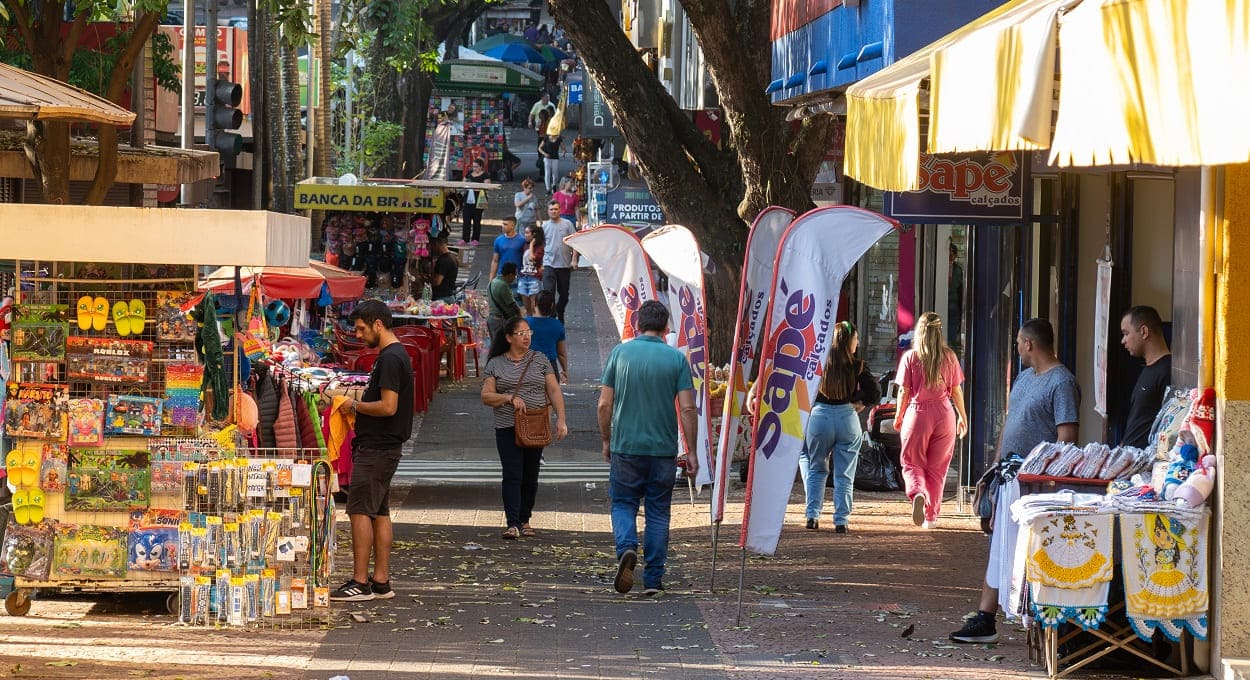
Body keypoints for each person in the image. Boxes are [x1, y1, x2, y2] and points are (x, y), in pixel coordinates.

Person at [949, 318, 1079, 643]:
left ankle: (1035, 620)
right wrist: (994, 467)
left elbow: (1067, 437)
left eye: (1019, 342)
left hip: (1035, 483)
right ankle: (985, 617)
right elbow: (1010, 423)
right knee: (999, 545)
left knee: (1028, 552)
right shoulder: (1023, 378)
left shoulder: (1061, 382)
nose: (1017, 347)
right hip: (1008, 476)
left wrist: (1048, 478)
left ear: (1029, 344)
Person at [598, 300, 697, 596]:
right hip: (663, 449)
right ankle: (653, 579)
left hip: (626, 446)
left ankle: (627, 548)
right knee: (657, 512)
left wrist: (606, 440)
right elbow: (688, 409)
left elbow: (604, 404)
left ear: (637, 324)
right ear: (666, 328)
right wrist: (691, 451)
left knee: (623, 503)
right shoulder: (676, 360)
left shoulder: (620, 353)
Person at [330, 300, 415, 602]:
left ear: (378, 324)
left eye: (363, 328)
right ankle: (381, 580)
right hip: (383, 446)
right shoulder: (391, 356)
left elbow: (388, 406)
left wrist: (352, 405)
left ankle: (360, 581)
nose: (359, 335)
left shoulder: (391, 358)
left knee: (359, 510)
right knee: (379, 511)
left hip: (378, 447)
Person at [480, 317, 569, 539]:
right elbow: (486, 395)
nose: (527, 336)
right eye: (521, 333)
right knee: (512, 473)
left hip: (536, 423)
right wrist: (508, 398)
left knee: (530, 474)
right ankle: (512, 523)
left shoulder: (540, 360)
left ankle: (525, 519)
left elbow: (554, 390)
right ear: (509, 338)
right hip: (507, 425)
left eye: (529, 332)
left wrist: (561, 419)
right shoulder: (495, 364)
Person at [800, 321, 880, 533]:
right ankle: (841, 520)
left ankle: (812, 516)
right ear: (848, 341)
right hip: (847, 417)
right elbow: (875, 393)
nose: (858, 342)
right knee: (845, 474)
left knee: (816, 468)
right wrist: (859, 401)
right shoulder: (858, 365)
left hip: (819, 417)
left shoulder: (819, 362)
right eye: (856, 338)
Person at [892, 312, 969, 528]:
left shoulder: (910, 357)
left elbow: (903, 392)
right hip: (944, 414)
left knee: (911, 462)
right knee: (938, 468)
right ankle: (931, 517)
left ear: (920, 331)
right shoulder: (950, 356)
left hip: (917, 414)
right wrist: (962, 416)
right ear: (939, 331)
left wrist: (899, 416)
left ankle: (917, 492)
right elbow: (956, 390)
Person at [1119, 305, 1172, 448]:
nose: (1123, 341)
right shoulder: (1147, 368)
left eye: (1126, 333)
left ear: (1144, 331)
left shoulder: (1167, 371)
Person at [541, 201, 576, 323]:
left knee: (564, 294)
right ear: (548, 211)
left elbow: (574, 242)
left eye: (556, 209)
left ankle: (560, 310)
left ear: (560, 210)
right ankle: (552, 316)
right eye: (551, 209)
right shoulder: (544, 226)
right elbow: (541, 246)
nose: (553, 211)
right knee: (548, 292)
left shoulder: (567, 224)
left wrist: (574, 259)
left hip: (564, 264)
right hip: (548, 264)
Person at [527, 290, 567, 384]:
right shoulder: (557, 325)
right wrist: (565, 370)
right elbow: (561, 353)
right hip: (550, 367)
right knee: (552, 396)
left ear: (534, 304)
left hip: (529, 366)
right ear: (552, 306)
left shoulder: (524, 323)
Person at [459, 158, 491, 245]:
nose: (474, 169)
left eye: (476, 167)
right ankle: (465, 239)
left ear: (481, 167)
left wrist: (475, 187)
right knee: (466, 220)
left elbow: (487, 186)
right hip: (468, 199)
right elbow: (464, 182)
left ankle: (475, 239)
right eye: (473, 167)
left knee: (477, 220)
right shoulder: (469, 173)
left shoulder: (485, 175)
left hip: (479, 199)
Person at [487, 263, 521, 340]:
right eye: (515, 275)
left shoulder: (492, 282)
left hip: (491, 319)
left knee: (494, 346)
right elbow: (513, 305)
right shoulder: (503, 286)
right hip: (500, 321)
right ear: (509, 275)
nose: (515, 278)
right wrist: (520, 317)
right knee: (502, 346)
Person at [518, 225, 545, 315]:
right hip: (523, 277)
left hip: (534, 278)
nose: (525, 235)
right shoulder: (524, 245)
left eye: (527, 233)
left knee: (534, 305)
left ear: (534, 234)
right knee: (526, 305)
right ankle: (529, 322)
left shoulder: (539, 247)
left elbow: (531, 258)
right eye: (524, 233)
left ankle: (534, 321)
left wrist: (532, 245)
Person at [489, 217, 527, 281]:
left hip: (517, 276)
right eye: (503, 224)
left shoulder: (522, 240)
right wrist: (491, 279)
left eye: (505, 224)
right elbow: (495, 260)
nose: (503, 226)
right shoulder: (498, 240)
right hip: (501, 275)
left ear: (512, 226)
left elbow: (526, 259)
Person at [428, 235, 458, 301]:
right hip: (449, 295)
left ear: (437, 244)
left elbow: (437, 281)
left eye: (432, 246)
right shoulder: (453, 257)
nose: (432, 248)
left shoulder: (443, 260)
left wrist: (426, 281)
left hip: (442, 298)